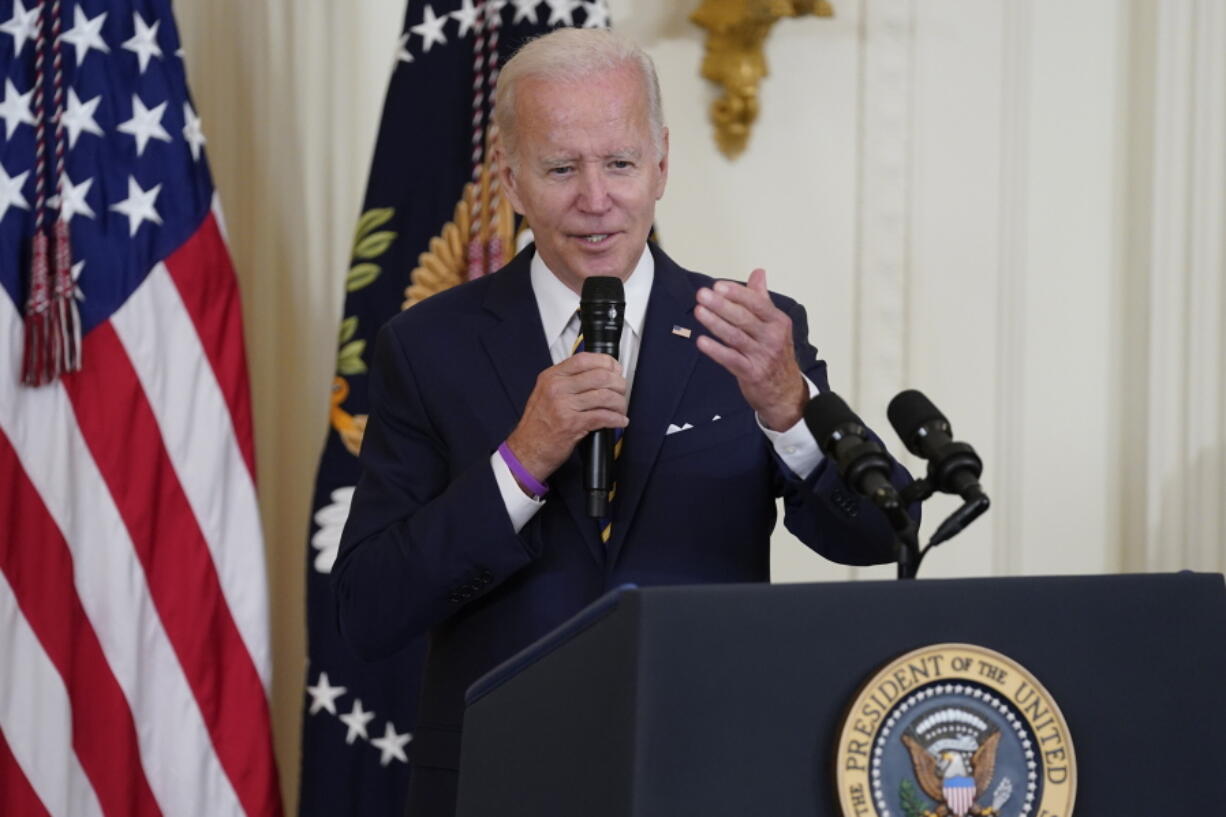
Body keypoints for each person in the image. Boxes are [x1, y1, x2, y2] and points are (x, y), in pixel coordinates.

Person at [333, 27, 909, 817]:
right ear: (510, 176)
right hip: (501, 784)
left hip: (709, 780)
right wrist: (521, 463)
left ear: (662, 165)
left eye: (621, 164)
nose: (596, 200)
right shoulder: (427, 347)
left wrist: (789, 409)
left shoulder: (752, 333)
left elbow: (884, 534)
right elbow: (370, 608)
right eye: (563, 168)